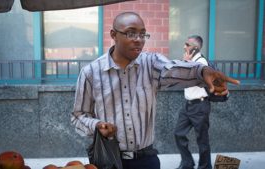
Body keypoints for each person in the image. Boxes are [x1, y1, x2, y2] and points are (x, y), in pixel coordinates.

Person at [71, 12, 239, 169]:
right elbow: (78, 115)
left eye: (143, 34)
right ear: (113, 35)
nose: (138, 39)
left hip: (146, 159)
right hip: (108, 160)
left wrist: (203, 71)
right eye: (131, 33)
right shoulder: (90, 73)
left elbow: (173, 69)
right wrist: (97, 125)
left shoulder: (151, 64)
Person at [174, 35, 212, 169]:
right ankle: (187, 162)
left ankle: (205, 166)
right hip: (188, 106)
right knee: (178, 133)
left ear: (195, 48)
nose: (184, 47)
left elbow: (196, 78)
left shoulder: (202, 63)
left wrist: (186, 63)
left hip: (200, 106)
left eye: (187, 44)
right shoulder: (190, 61)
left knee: (202, 139)